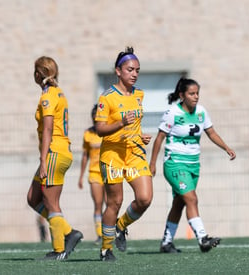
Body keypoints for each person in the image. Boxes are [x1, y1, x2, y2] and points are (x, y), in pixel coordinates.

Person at [149, 77, 236, 253]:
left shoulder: (201, 112)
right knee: (192, 198)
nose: (196, 96)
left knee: (180, 203)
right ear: (182, 95)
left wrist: (226, 147)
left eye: (197, 93)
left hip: (193, 165)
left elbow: (211, 133)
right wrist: (152, 163)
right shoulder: (173, 112)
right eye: (191, 93)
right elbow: (159, 138)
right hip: (175, 164)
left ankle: (166, 243)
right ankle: (203, 238)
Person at [95, 47, 153, 261]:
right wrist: (121, 122)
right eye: (130, 69)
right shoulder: (107, 97)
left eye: (137, 70)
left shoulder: (139, 94)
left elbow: (135, 125)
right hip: (112, 154)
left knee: (145, 198)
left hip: (134, 152)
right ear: (118, 71)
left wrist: (140, 136)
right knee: (115, 202)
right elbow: (100, 130)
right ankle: (105, 249)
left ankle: (120, 226)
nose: (135, 73)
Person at [26, 56, 83, 260]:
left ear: (38, 74)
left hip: (54, 153)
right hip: (59, 152)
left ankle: (59, 249)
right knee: (33, 198)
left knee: (51, 202)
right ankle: (69, 232)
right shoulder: (58, 93)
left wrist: (43, 159)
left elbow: (49, 127)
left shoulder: (48, 96)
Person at [77, 104, 105, 245]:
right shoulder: (88, 134)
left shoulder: (108, 131)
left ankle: (111, 233)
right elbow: (85, 155)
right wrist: (81, 176)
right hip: (94, 173)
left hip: (109, 171)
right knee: (98, 204)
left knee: (112, 203)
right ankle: (100, 235)